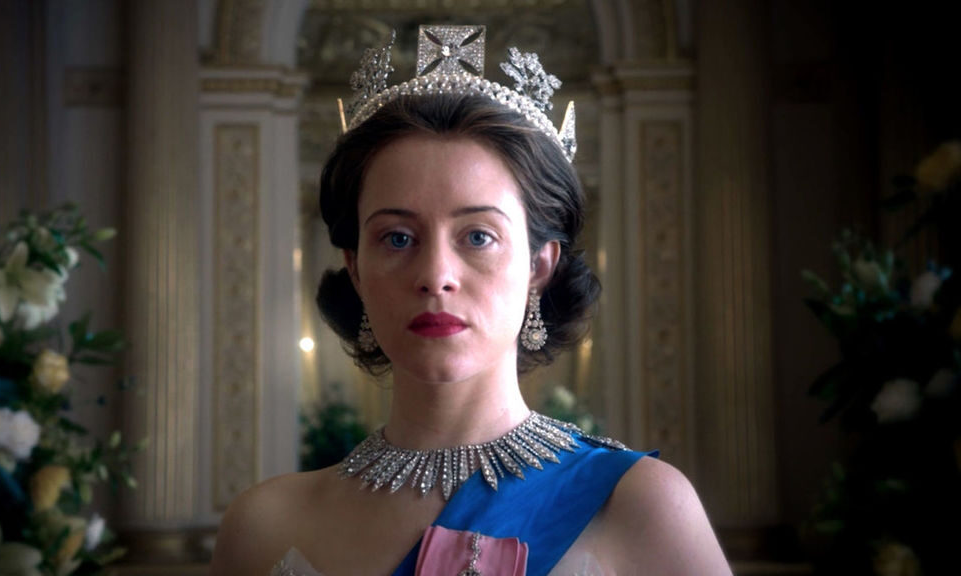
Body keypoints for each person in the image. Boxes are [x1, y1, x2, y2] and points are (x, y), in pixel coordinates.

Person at [211, 25, 731, 576]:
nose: (435, 276)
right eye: (397, 238)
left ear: (539, 266)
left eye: (478, 236)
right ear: (356, 269)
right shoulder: (264, 526)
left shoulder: (638, 505)